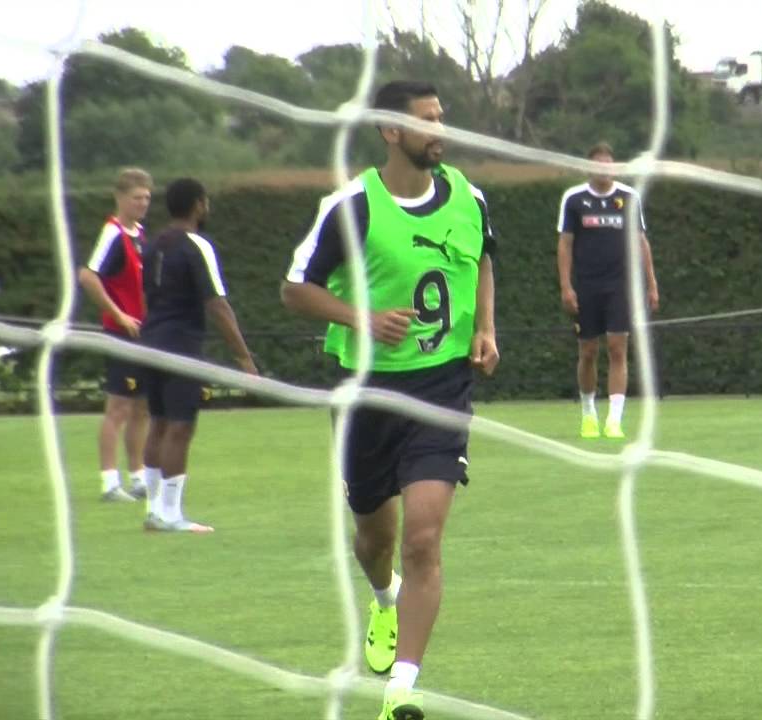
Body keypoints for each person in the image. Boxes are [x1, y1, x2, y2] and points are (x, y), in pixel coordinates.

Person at [280, 80, 498, 720]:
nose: (441, 130)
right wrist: (362, 317)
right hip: (366, 393)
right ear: (389, 131)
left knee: (424, 540)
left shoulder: (469, 197)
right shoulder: (352, 206)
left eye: (442, 116)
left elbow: (483, 258)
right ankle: (382, 600)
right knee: (374, 541)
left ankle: (401, 690)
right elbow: (295, 290)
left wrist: (484, 328)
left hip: (441, 388)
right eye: (428, 120)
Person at [138, 178, 257, 533]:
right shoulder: (197, 245)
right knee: (180, 427)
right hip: (180, 346)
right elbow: (218, 305)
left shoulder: (153, 245)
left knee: (158, 423)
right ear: (197, 205)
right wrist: (244, 358)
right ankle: (170, 514)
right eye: (205, 202)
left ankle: (154, 510)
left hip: (149, 341)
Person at [556, 141, 658, 440]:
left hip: (620, 287)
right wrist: (566, 286)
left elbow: (641, 242)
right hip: (586, 286)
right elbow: (565, 244)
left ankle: (614, 420)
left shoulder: (629, 198)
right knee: (588, 351)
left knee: (617, 349)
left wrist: (652, 284)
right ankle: (589, 413)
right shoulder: (574, 200)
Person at [77, 167, 152, 502]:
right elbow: (88, 276)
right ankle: (109, 483)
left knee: (142, 407)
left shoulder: (141, 234)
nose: (142, 204)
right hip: (120, 334)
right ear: (120, 197)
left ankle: (137, 477)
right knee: (118, 408)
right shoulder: (113, 233)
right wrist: (119, 314)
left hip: (143, 334)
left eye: (147, 198)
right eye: (137, 198)